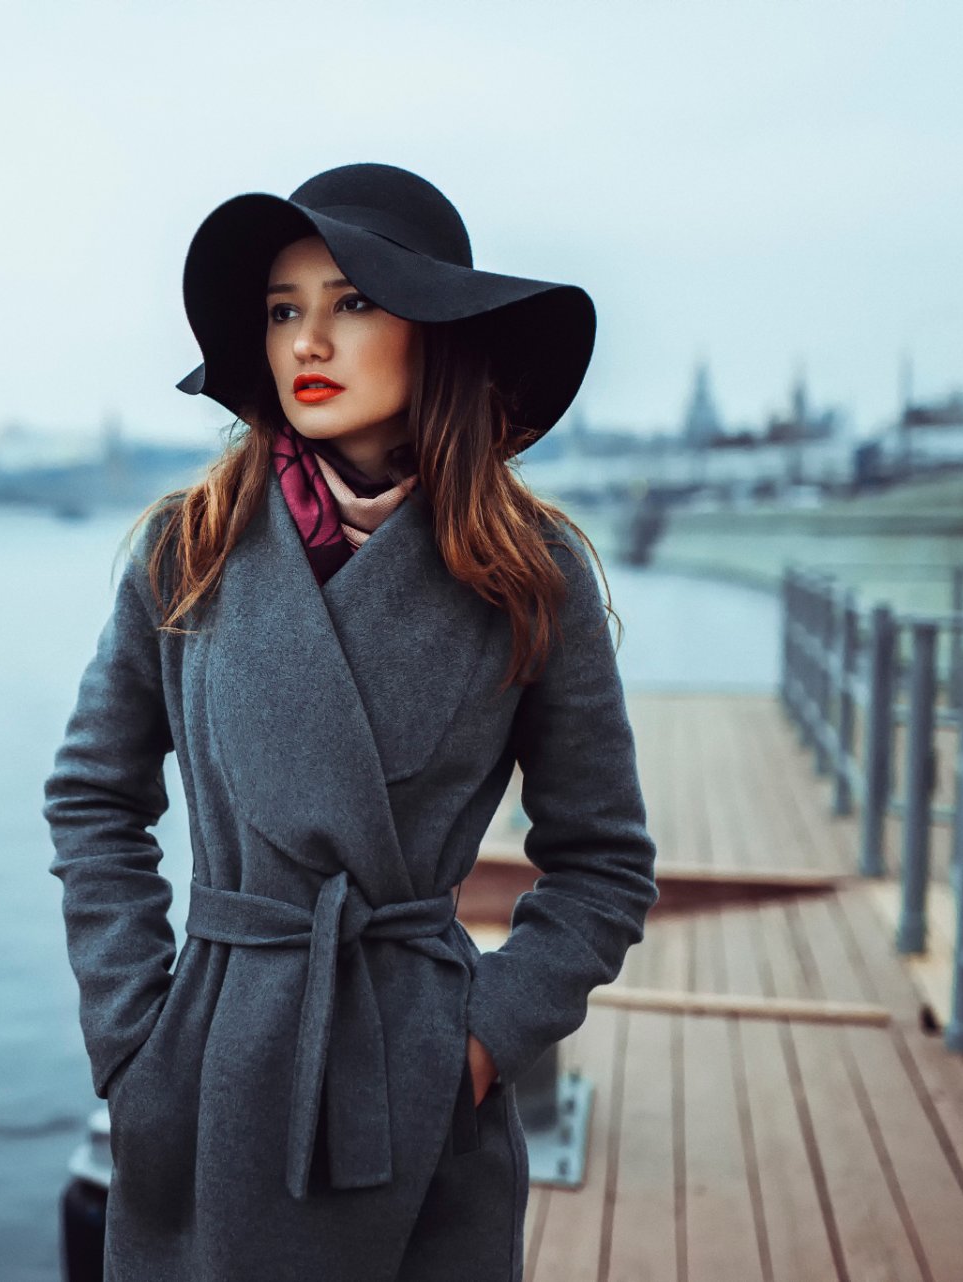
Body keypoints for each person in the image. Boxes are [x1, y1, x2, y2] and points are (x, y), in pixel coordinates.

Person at [42, 162, 659, 1282]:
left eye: (351, 302)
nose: (307, 344)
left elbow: (603, 863)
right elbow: (94, 795)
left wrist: (480, 1040)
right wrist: (138, 1035)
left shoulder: (530, 574)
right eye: (284, 310)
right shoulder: (189, 551)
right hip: (214, 1078)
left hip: (413, 1091)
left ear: (437, 331)